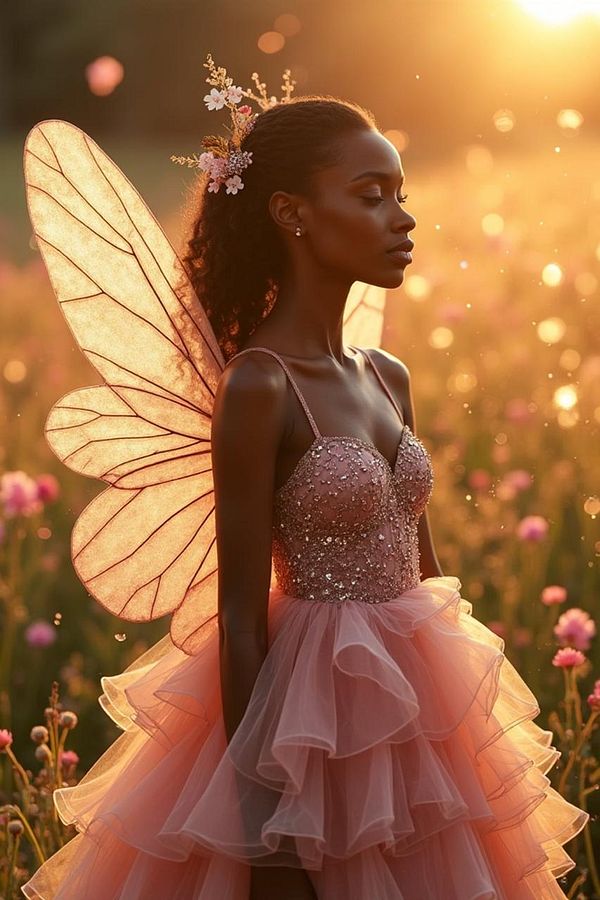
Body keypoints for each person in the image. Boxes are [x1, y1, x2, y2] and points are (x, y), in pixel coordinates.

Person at [21, 56, 588, 899]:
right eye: (370, 195)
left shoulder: (387, 374)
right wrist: (262, 818)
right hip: (304, 719)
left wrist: (472, 735)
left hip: (418, 705)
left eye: (399, 193)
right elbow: (241, 618)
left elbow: (428, 577)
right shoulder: (259, 385)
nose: (403, 218)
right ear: (290, 212)